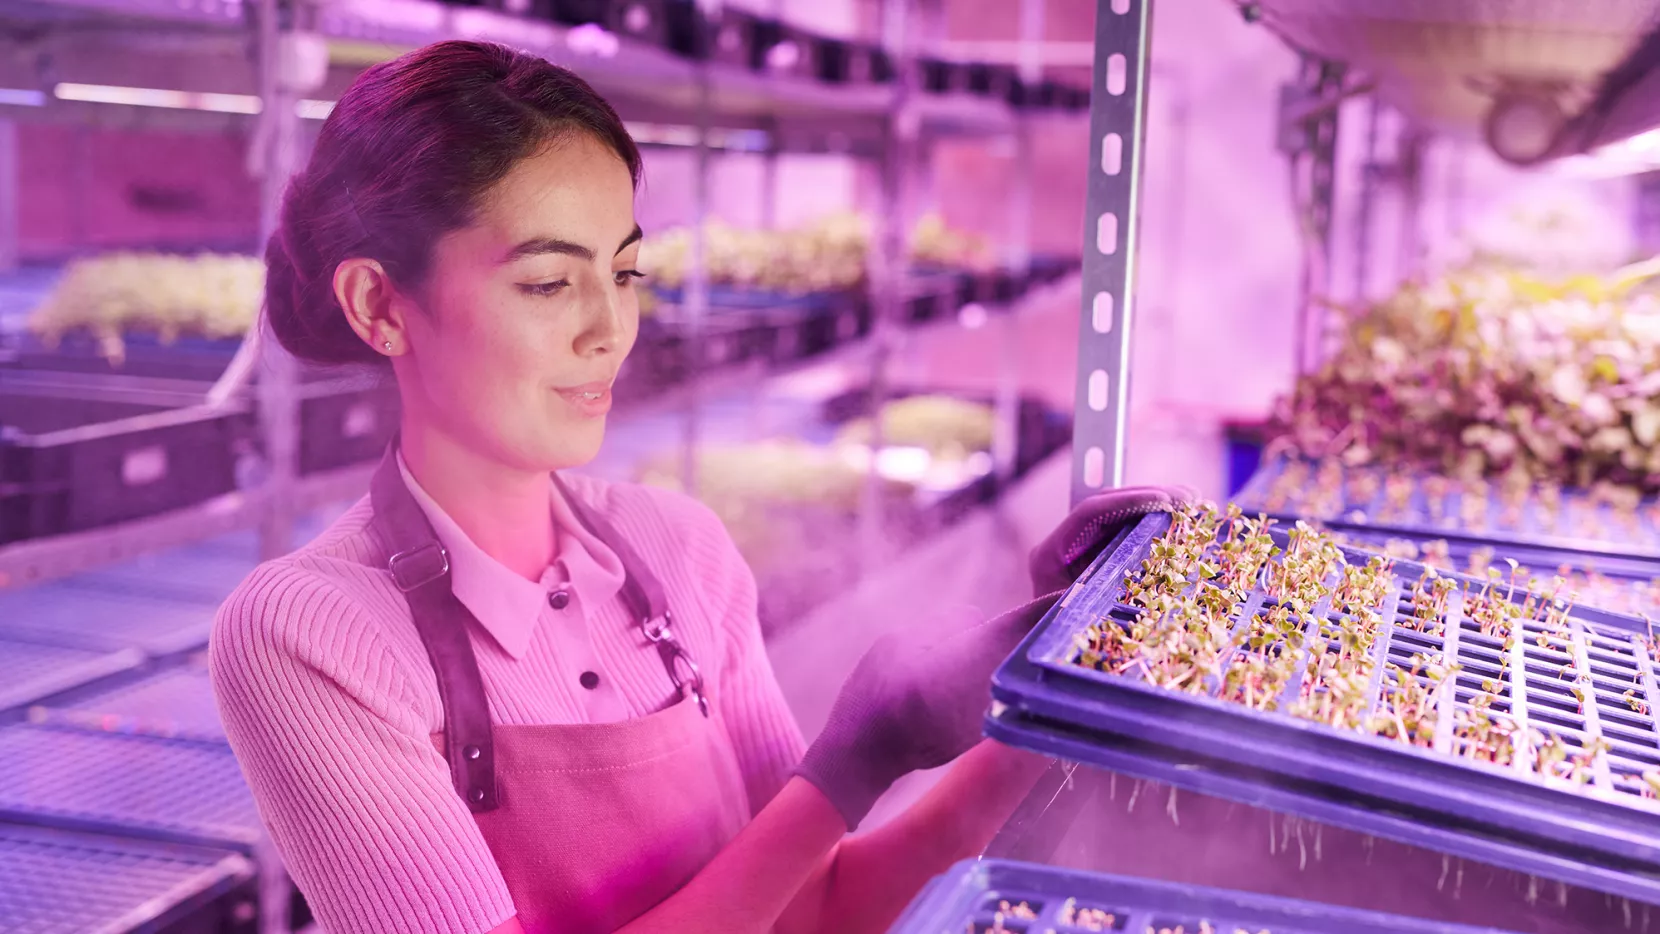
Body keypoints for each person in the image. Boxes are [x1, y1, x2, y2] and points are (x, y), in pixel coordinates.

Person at [209, 39, 1184, 934]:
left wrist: (1045, 694)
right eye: (549, 283)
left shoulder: (679, 550)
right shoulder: (310, 632)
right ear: (381, 304)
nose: (609, 328)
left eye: (624, 273)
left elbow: (816, 910)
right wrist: (853, 756)